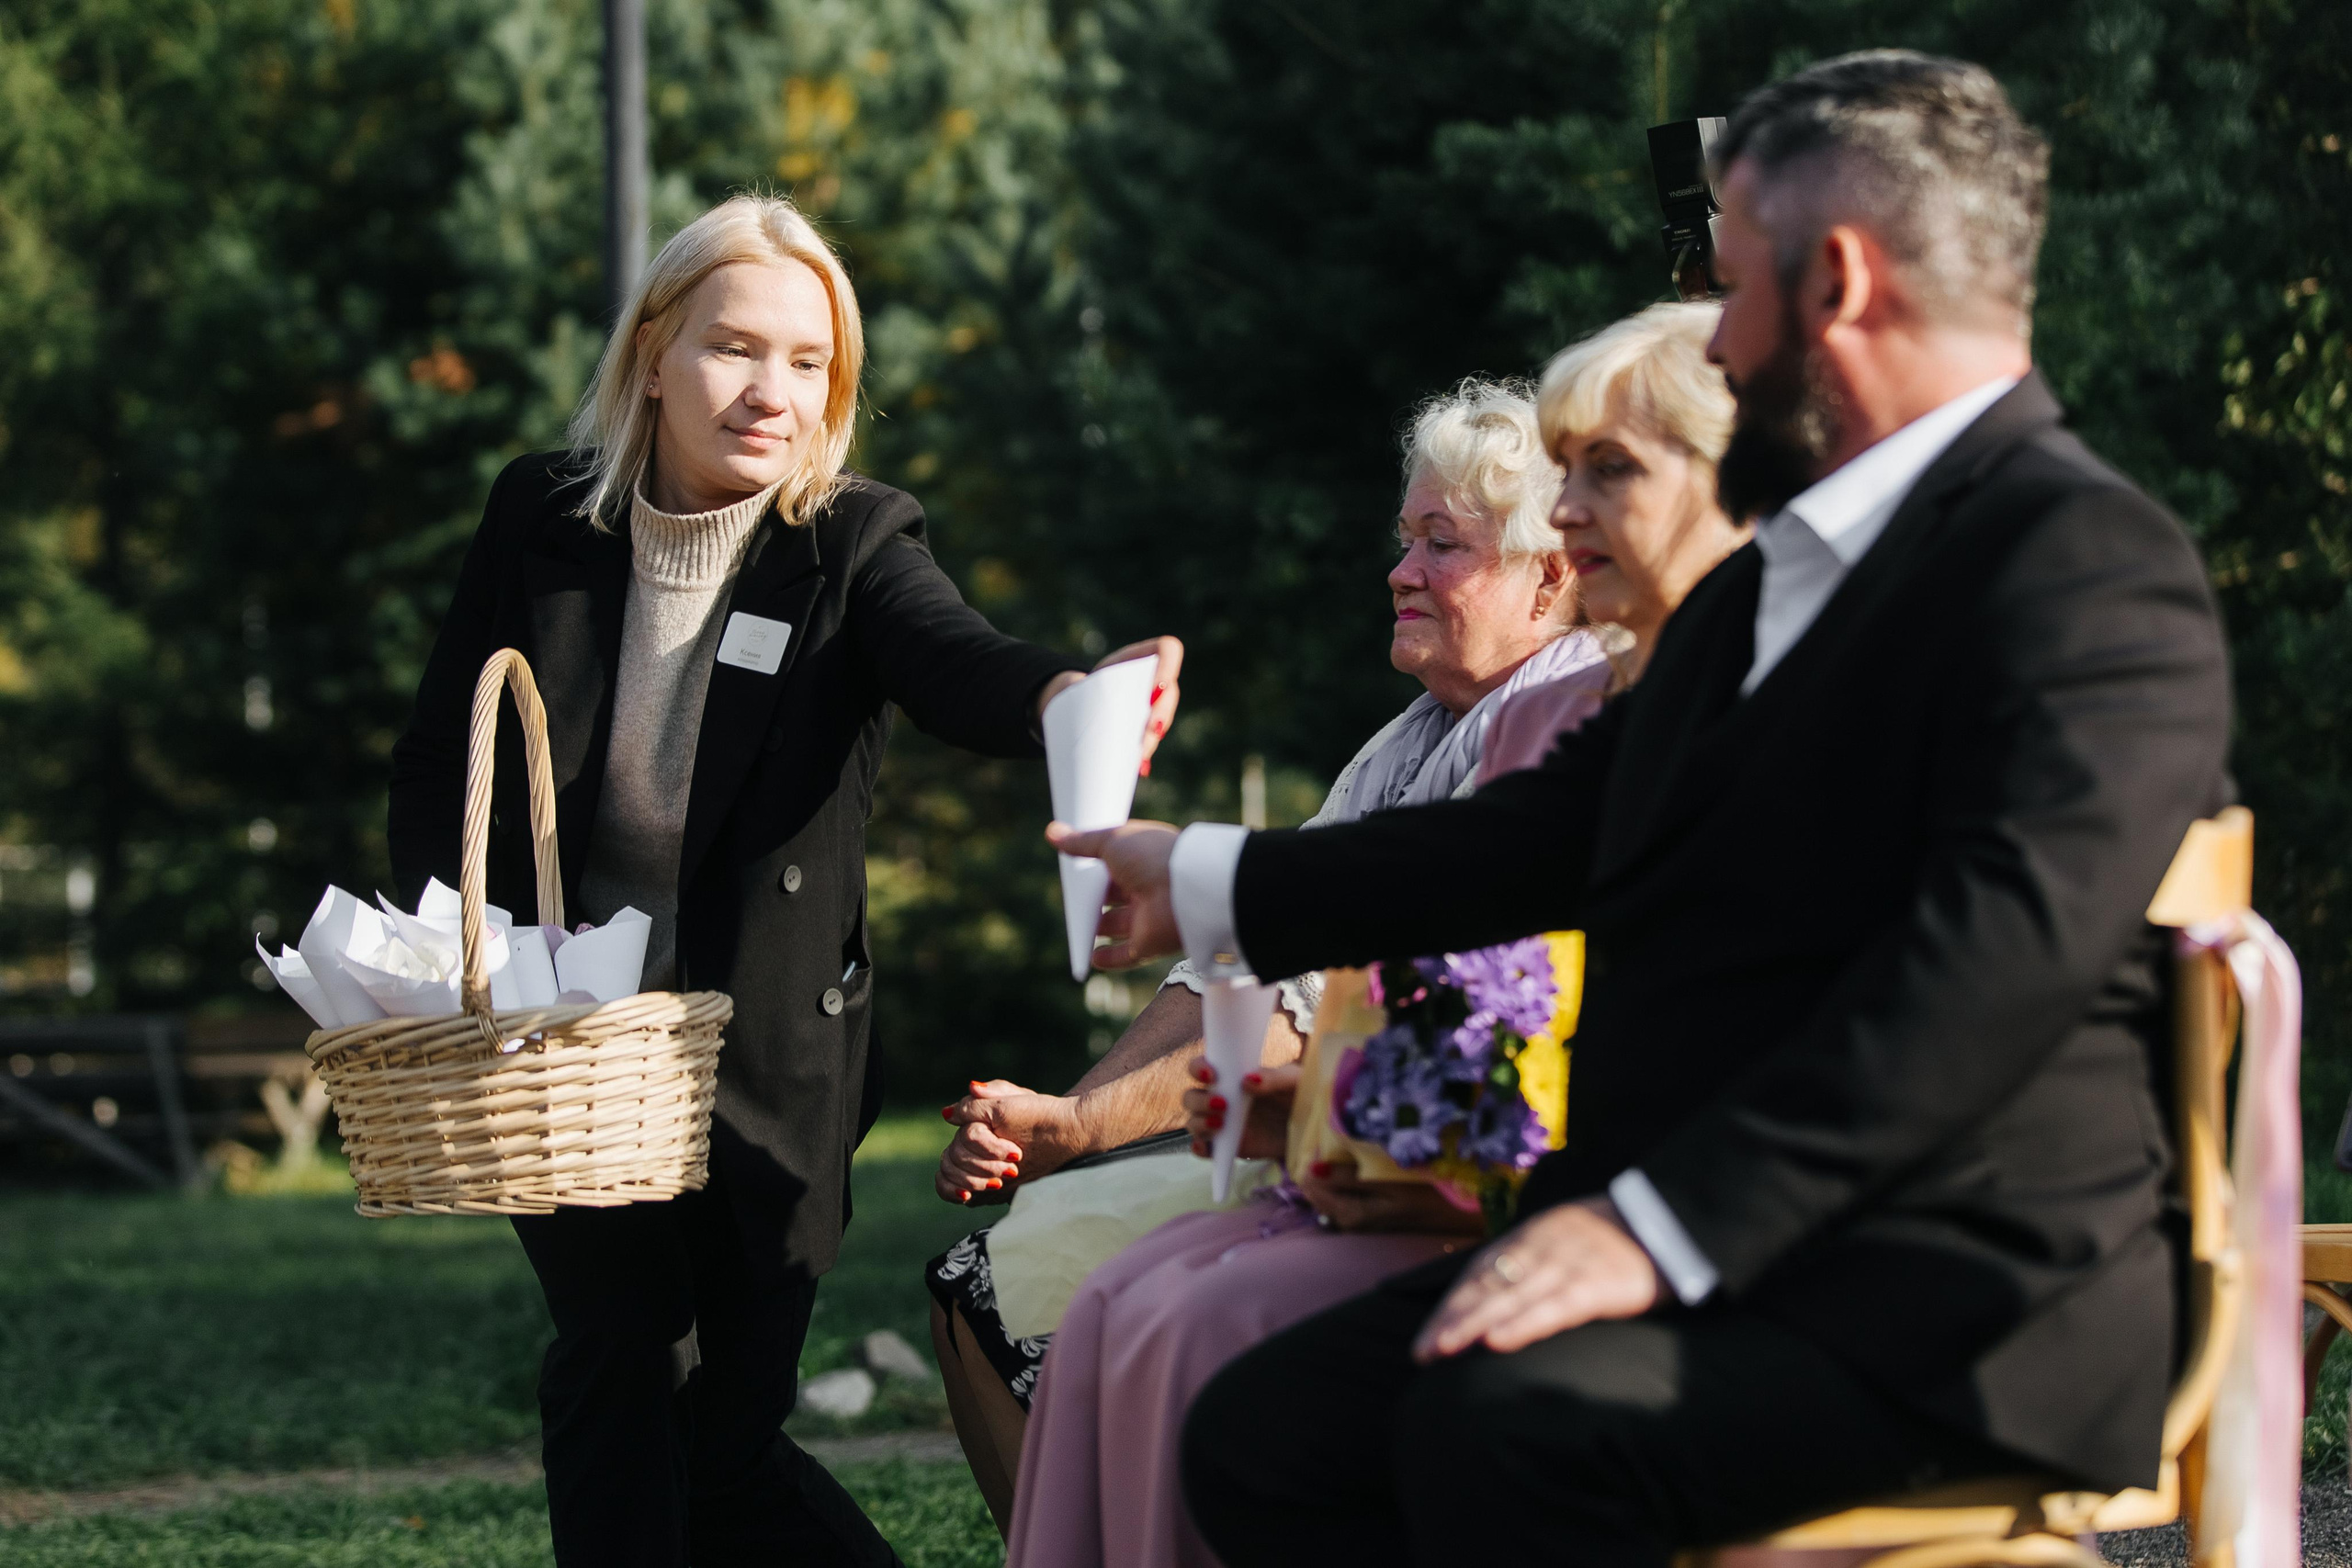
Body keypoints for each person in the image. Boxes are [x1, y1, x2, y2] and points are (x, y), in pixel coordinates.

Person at [1054, 51, 2233, 1567]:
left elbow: (1988, 968)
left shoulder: (2081, 566)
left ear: (1842, 286)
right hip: (1722, 1266)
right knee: (1270, 1434)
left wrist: (1653, 1227)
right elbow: (1542, 830)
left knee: (1507, 1434)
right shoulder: (1774, 585)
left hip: (1947, 1294)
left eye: (1734, 287)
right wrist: (1208, 879)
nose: (1719, 338)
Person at [385, 194, 1181, 1568]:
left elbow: (953, 657)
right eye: (734, 348)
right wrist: (437, 977)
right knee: (619, 1362)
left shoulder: (852, 543)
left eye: (809, 362)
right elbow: (436, 762)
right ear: (652, 354)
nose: (773, 391)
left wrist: (1066, 695)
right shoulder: (541, 512)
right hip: (565, 1056)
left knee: (723, 1442)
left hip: (769, 1070)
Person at [1002, 301, 1747, 1568]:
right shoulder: (1562, 717)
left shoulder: (1635, 702)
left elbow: (1568, 997)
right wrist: (1225, 940)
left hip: (1629, 1215)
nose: (1566, 518)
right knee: (1119, 1307)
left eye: (1603, 475)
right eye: (1563, 482)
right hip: (1485, 1180)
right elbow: (1430, 917)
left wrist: (1336, 1094)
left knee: (1192, 1330)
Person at [926, 379, 1598, 1530]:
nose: (1400, 572)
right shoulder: (1411, 733)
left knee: (1112, 1305)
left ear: (1551, 578)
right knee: (979, 1280)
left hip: (1437, 1183)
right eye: (1404, 541)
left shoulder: (1561, 716)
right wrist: (1060, 1118)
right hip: (1332, 1152)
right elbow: (1238, 968)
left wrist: (1082, 1130)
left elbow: (1314, 1001)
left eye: (1444, 546)